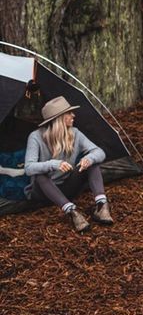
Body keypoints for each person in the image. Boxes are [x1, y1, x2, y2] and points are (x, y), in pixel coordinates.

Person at [24, 95, 112, 233]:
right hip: (43, 193)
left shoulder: (75, 133)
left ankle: (101, 206)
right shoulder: (35, 137)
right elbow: (29, 168)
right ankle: (71, 211)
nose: (73, 115)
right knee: (40, 175)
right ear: (59, 118)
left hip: (67, 187)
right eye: (69, 113)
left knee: (92, 162)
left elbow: (99, 152)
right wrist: (53, 164)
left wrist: (89, 159)